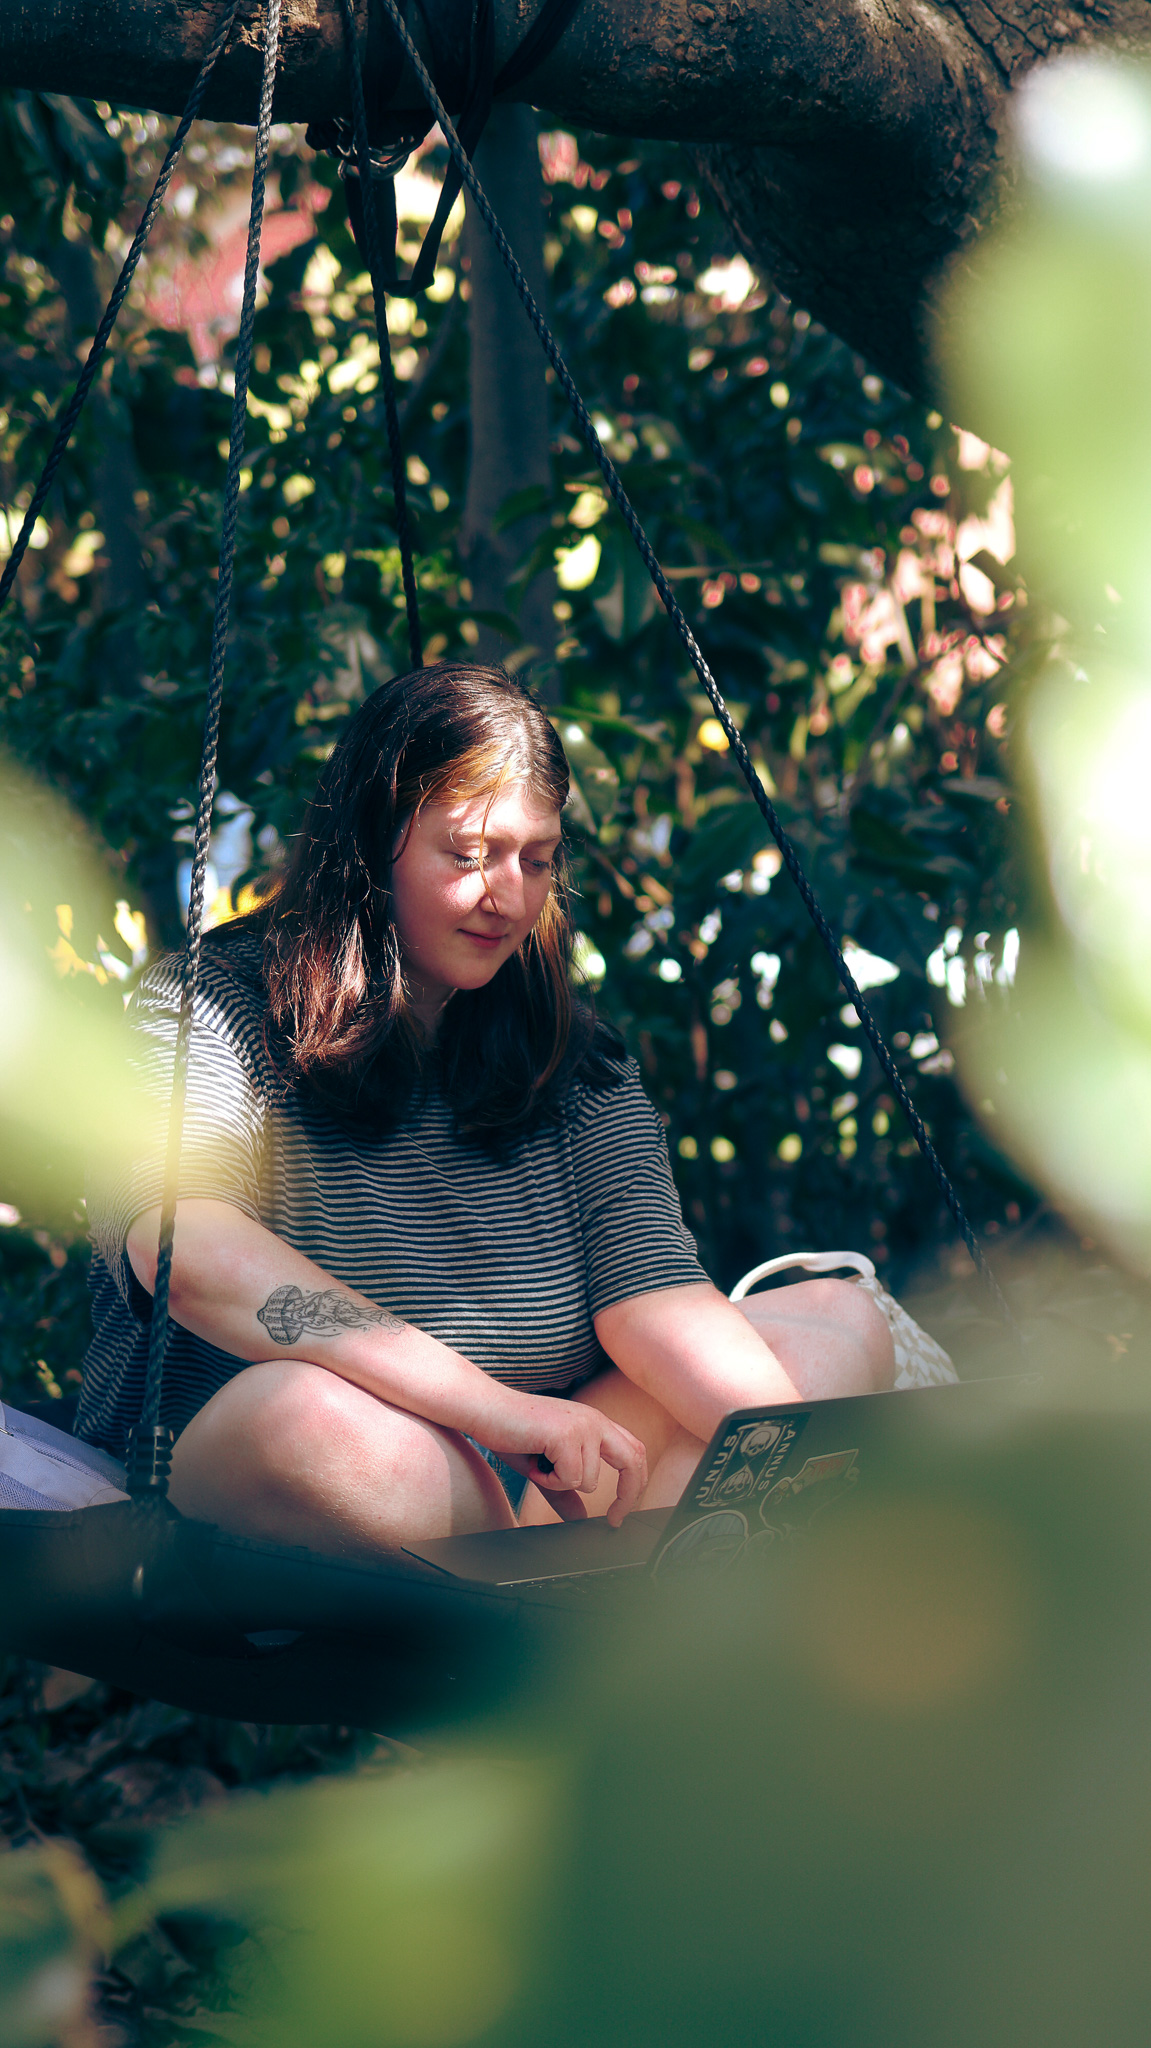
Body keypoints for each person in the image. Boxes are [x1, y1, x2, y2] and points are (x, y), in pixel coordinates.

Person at [79, 663, 893, 1555]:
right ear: (372, 839)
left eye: (535, 860)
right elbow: (183, 1250)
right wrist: (500, 1413)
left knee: (832, 1324)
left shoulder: (569, 1052)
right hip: (309, 1474)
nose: (506, 894)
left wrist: (812, 1467)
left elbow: (652, 1300)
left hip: (548, 1490)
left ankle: (583, 1592)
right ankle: (559, 1603)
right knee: (305, 1416)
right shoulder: (215, 1002)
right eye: (467, 855)